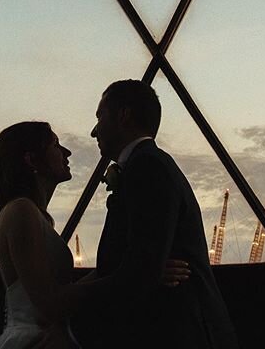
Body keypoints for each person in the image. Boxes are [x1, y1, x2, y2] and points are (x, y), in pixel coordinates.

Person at [0, 120, 189, 348]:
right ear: (31, 160)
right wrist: (132, 277)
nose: (67, 152)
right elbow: (49, 304)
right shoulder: (21, 211)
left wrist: (140, 270)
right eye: (55, 145)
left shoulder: (30, 213)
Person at [71, 79, 240, 348]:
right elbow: (139, 265)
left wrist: (68, 298)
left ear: (124, 115)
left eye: (100, 115)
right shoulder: (149, 164)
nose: (94, 131)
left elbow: (141, 270)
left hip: (174, 332)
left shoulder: (146, 168)